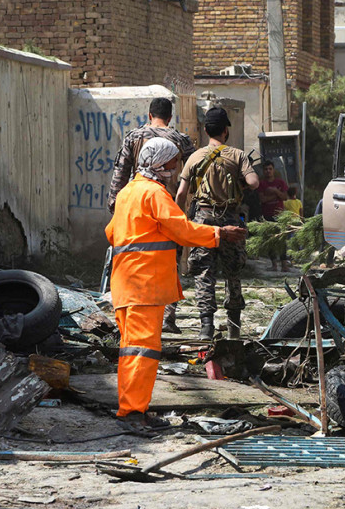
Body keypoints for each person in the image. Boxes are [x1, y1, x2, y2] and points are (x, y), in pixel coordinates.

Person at [106, 137, 245, 432]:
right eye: (172, 162)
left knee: (130, 350)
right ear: (160, 163)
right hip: (145, 285)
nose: (176, 166)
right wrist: (218, 233)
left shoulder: (127, 192)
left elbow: (111, 232)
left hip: (124, 283)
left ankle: (130, 409)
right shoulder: (154, 193)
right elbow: (181, 229)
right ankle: (133, 413)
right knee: (143, 351)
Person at [107, 97, 194, 334]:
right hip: (167, 206)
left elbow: (120, 172)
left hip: (135, 207)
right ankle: (167, 316)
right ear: (170, 117)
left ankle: (131, 309)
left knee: (132, 260)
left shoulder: (133, 137)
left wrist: (115, 206)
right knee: (169, 263)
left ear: (148, 115)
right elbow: (192, 173)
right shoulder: (180, 140)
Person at [175, 107, 259, 339]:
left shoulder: (195, 157)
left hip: (202, 220)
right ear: (226, 130)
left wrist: (179, 220)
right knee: (233, 272)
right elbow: (254, 183)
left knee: (204, 272)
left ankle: (206, 327)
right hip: (231, 218)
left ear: (205, 130)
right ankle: (234, 327)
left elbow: (181, 194)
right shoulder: (238, 155)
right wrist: (239, 180)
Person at [258, 160, 289, 271]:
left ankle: (284, 265)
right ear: (263, 171)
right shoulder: (261, 184)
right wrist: (276, 195)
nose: (268, 171)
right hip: (267, 215)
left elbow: (285, 197)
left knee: (282, 240)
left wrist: (274, 191)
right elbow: (262, 199)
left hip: (279, 215)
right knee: (270, 240)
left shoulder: (280, 183)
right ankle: (274, 265)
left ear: (273, 170)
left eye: (270, 169)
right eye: (266, 169)